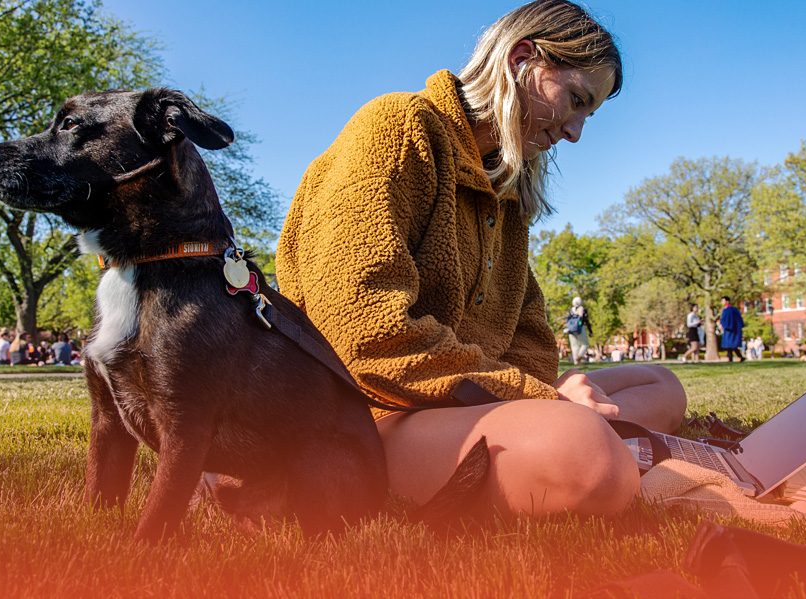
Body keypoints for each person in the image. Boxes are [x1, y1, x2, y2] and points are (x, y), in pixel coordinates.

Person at [275, 0, 687, 520]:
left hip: (464, 398)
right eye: (576, 99)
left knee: (662, 386)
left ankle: (573, 440)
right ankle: (591, 453)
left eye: (590, 113)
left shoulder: (505, 188)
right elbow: (366, 336)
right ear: (522, 61)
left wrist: (540, 393)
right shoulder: (398, 129)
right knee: (586, 456)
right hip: (363, 411)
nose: (576, 132)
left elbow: (529, 337)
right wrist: (547, 403)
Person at [564, 296, 593, 366]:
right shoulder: (582, 309)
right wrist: (590, 331)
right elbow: (586, 320)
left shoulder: (570, 310)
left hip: (571, 329)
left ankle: (576, 362)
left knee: (574, 346)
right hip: (580, 328)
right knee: (585, 344)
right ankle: (579, 356)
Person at [719, 296, 745, 362]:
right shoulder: (734, 309)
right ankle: (739, 357)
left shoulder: (728, 310)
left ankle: (731, 359)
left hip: (729, 329)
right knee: (732, 346)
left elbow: (725, 320)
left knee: (730, 345)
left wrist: (724, 325)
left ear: (727, 301)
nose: (722, 302)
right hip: (734, 329)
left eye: (723, 301)